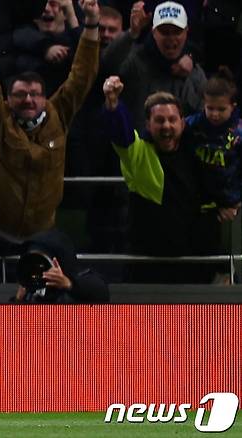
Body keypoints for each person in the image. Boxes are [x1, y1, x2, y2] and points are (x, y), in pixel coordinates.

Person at [0, 4, 100, 249]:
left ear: (45, 98)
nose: (28, 100)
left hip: (40, 235)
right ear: (8, 99)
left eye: (35, 94)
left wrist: (90, 23)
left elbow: (82, 75)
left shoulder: (57, 115)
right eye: (21, 94)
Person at [102, 75, 209, 283]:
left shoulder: (197, 151)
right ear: (148, 125)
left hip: (192, 261)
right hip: (146, 264)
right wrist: (113, 104)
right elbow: (119, 131)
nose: (166, 126)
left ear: (183, 123)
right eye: (159, 120)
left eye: (172, 119)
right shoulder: (137, 152)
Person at [103, 1, 206, 132]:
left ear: (186, 32)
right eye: (164, 32)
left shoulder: (195, 73)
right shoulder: (135, 60)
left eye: (177, 32)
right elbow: (107, 63)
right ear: (154, 32)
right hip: (138, 147)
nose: (171, 37)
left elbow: (205, 116)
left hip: (180, 148)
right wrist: (132, 33)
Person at [184, 67, 242, 268]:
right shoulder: (192, 126)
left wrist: (236, 201)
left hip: (233, 206)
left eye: (221, 109)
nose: (215, 114)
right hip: (200, 204)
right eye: (210, 108)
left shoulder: (239, 132)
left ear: (233, 106)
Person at [11, 229, 108, 303]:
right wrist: (18, 300)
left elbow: (101, 294)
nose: (37, 269)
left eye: (41, 264)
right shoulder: (31, 292)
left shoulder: (81, 279)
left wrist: (69, 285)